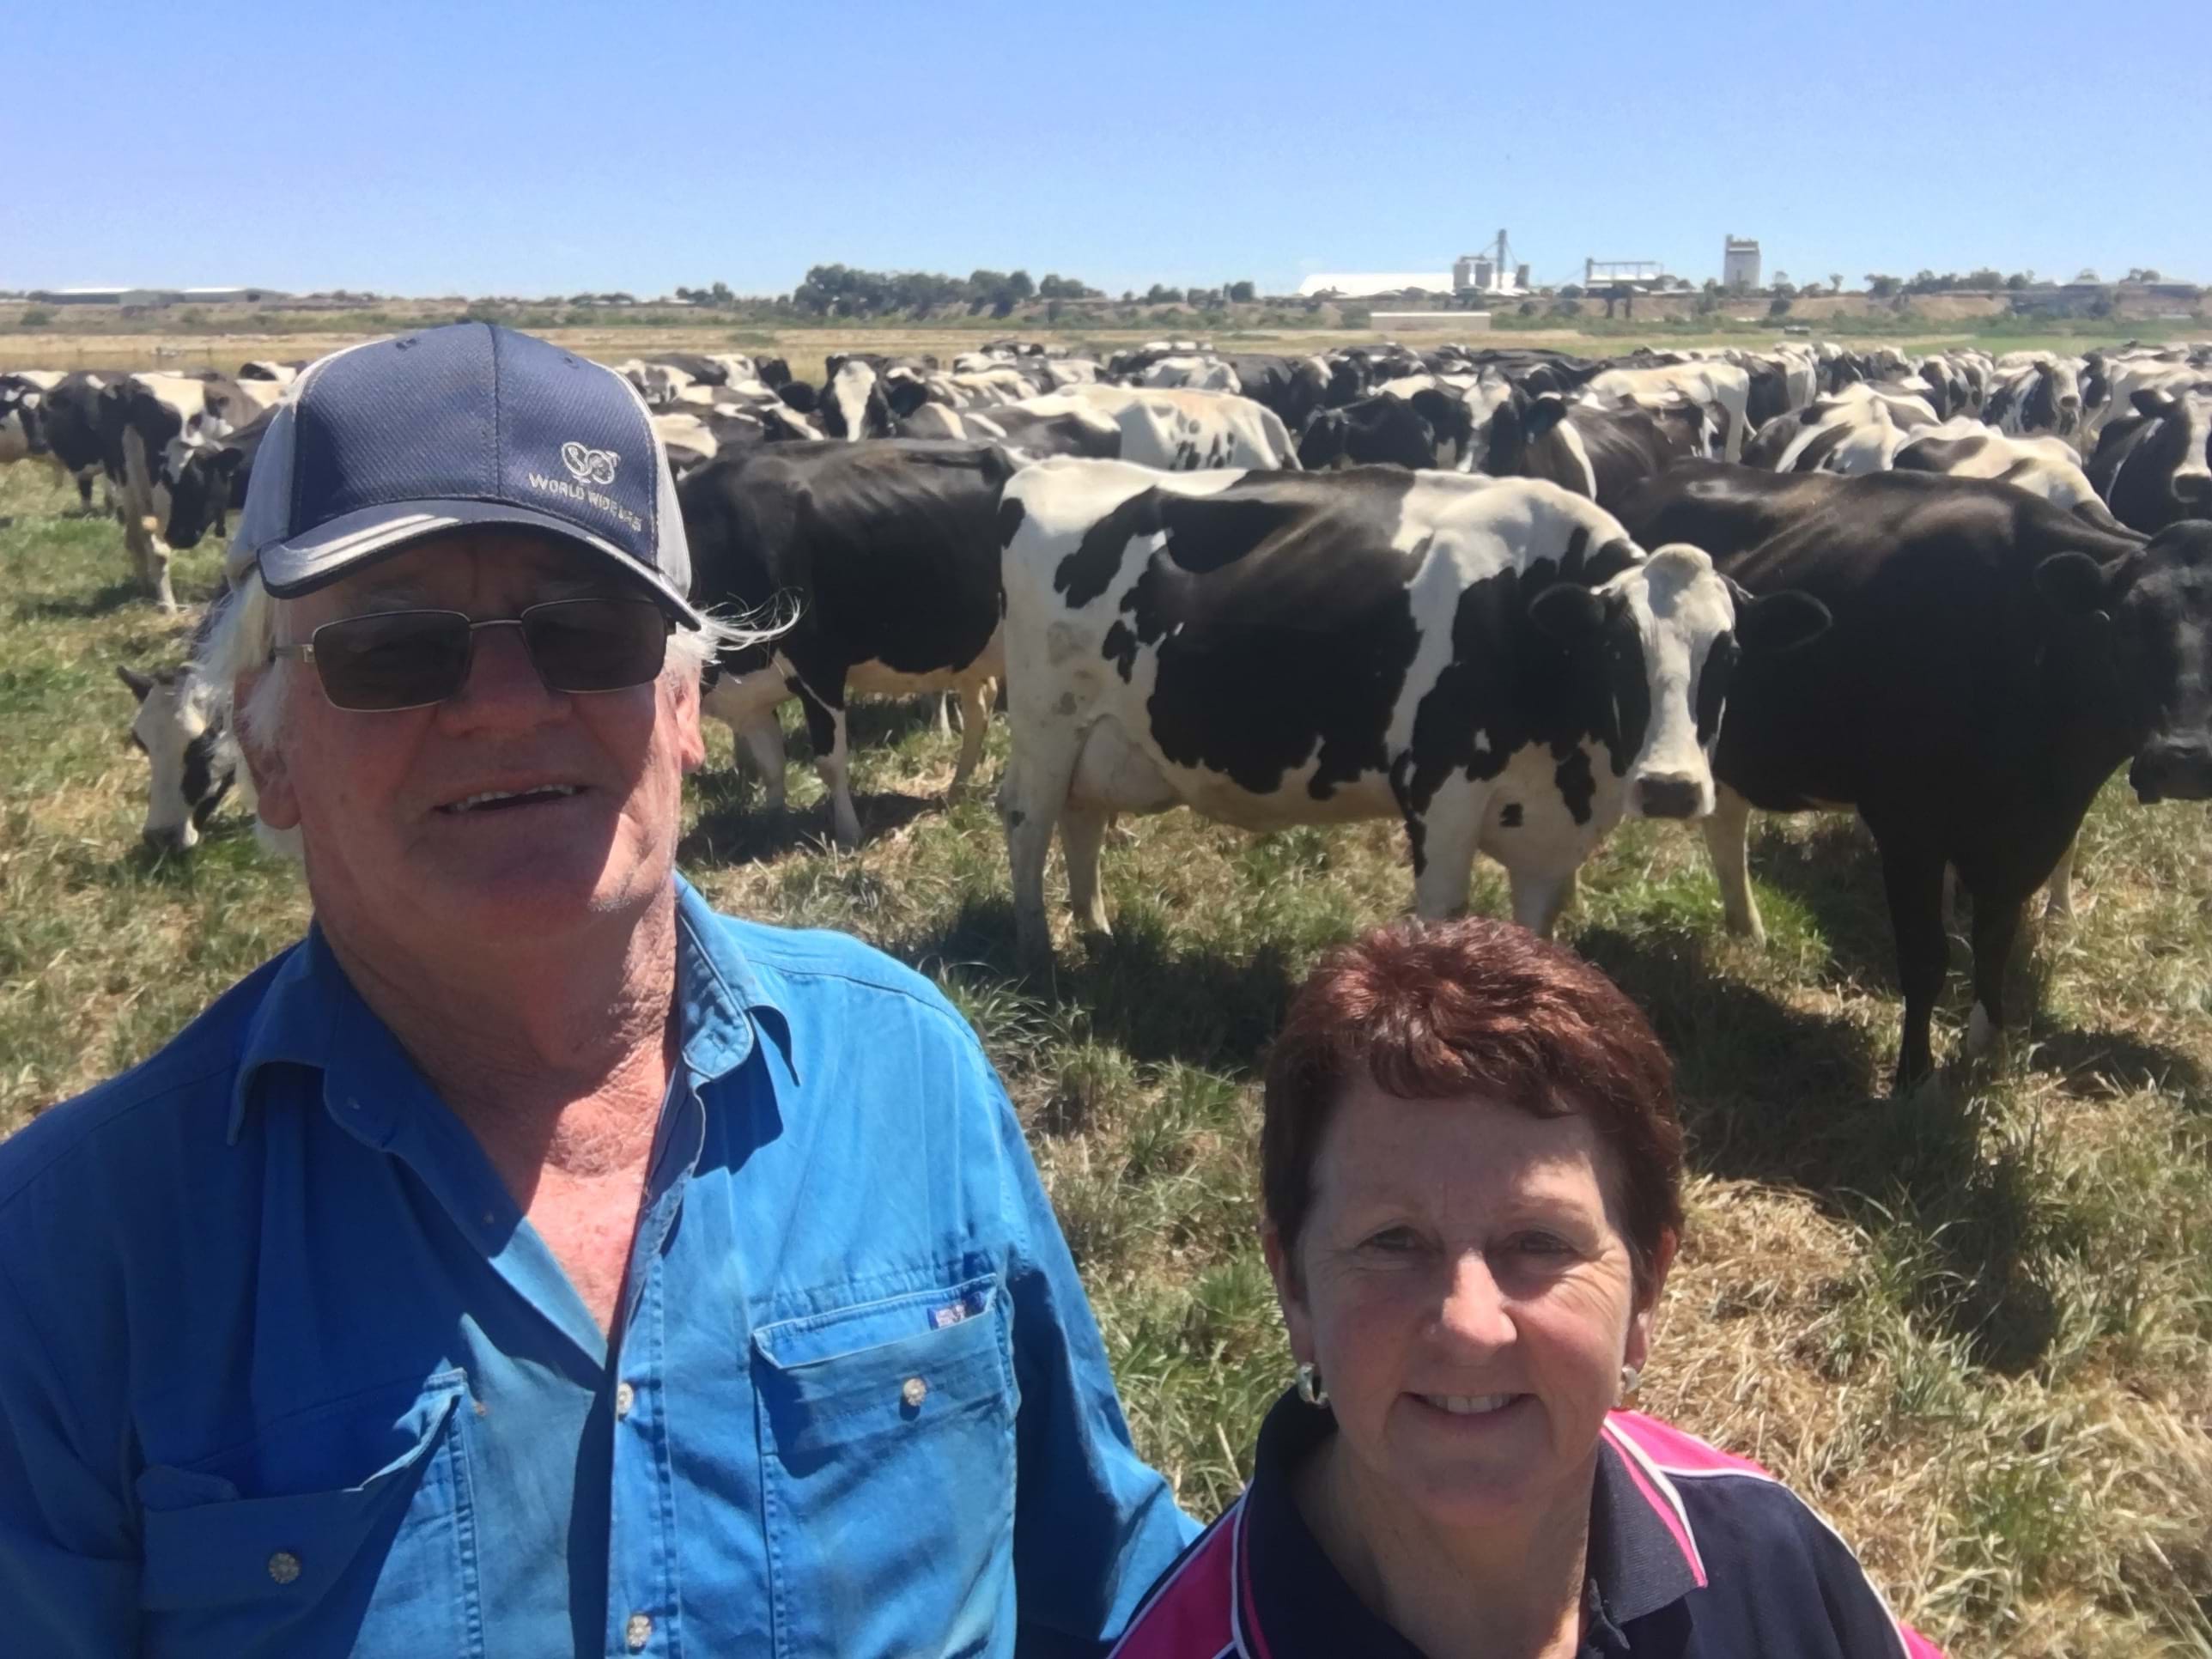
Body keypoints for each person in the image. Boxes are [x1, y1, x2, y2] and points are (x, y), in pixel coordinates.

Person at [0, 323, 1193, 1657]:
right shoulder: (70, 1262)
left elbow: (1116, 1592)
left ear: (687, 707)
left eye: (590, 631)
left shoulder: (909, 1071)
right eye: (395, 648)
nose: (508, 705)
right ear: (267, 751)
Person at [1109, 917, 1945, 1657]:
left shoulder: (1766, 1556)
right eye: (1392, 1242)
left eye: (1538, 1243)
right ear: (1293, 1287)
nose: (1469, 1327)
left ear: (1645, 1291)